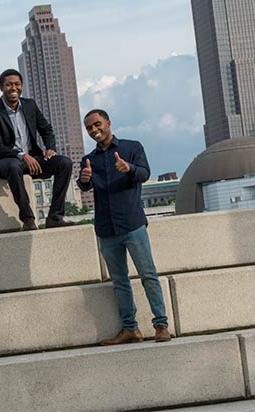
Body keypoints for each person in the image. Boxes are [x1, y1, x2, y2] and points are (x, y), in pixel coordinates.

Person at [78, 109, 171, 345]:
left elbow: (145, 173)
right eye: (89, 127)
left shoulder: (132, 147)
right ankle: (130, 329)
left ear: (108, 123)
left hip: (132, 224)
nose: (94, 130)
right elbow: (84, 186)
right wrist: (85, 178)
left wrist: (128, 168)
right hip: (106, 228)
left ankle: (161, 325)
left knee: (148, 275)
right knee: (119, 281)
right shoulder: (89, 159)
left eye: (97, 124)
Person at [0, 68, 73, 231]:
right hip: (5, 161)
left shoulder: (30, 105)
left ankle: (54, 217)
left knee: (64, 163)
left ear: (21, 86)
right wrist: (22, 155)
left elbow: (46, 129)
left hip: (33, 158)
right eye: (8, 84)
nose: (13, 88)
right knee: (13, 165)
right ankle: (28, 218)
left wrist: (50, 148)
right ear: (1, 87)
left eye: (17, 84)